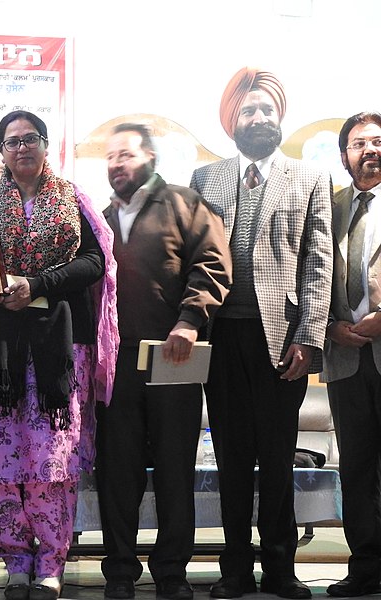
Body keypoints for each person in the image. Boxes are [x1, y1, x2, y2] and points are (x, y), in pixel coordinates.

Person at [0, 110, 118, 600]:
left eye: (32, 139)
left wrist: (38, 284)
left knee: (53, 459)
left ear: (47, 146)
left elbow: (95, 262)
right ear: (1, 152)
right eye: (12, 142)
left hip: (59, 347)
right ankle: (15, 561)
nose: (22, 147)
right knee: (1, 456)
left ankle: (50, 563)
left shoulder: (73, 200)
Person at [189, 67, 333, 599]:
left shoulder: (310, 178)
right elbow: (196, 261)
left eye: (266, 110)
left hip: (283, 341)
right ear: (233, 121)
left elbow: (318, 264)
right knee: (230, 456)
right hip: (222, 337)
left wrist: (310, 336)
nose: (258, 118)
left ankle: (279, 567)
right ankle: (233, 570)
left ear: (280, 118)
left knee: (276, 457)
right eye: (248, 110)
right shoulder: (207, 180)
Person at [96, 123, 231, 600]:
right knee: (118, 471)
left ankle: (171, 572)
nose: (117, 164)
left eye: (126, 154)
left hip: (174, 354)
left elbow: (213, 263)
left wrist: (190, 320)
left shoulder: (183, 204)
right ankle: (119, 571)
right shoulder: (101, 217)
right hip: (116, 361)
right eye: (110, 157)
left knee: (175, 468)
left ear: (149, 156)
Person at [321, 111, 381, 597]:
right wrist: (330, 327)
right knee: (356, 467)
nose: (370, 149)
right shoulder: (331, 206)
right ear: (344, 155)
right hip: (345, 358)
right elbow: (311, 274)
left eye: (378, 141)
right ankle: (364, 567)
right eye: (359, 142)